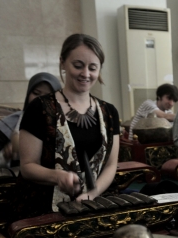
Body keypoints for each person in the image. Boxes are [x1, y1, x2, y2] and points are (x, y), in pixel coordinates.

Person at [18, 34, 120, 218]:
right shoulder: (39, 108)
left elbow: (111, 165)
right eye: (78, 66)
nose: (86, 74)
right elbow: (27, 166)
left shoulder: (109, 112)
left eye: (93, 68)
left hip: (95, 203)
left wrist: (91, 195)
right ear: (63, 63)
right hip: (44, 208)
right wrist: (57, 176)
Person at [0, 73, 61, 172]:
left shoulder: (63, 128)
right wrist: (5, 155)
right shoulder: (6, 126)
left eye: (47, 96)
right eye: (36, 93)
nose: (39, 100)